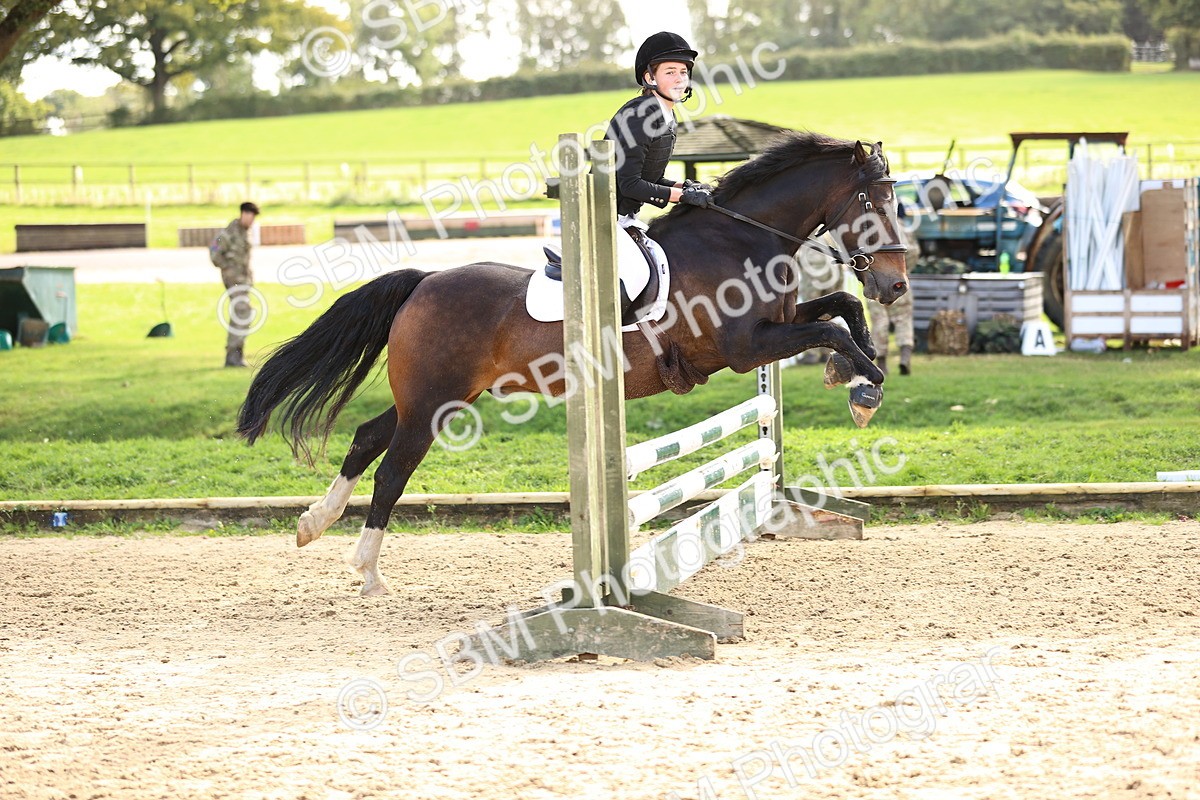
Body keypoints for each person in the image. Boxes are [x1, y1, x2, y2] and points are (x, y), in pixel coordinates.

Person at [602, 32, 711, 319]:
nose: (679, 79)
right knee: (639, 275)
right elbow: (630, 184)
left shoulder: (664, 115)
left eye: (683, 72)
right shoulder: (640, 115)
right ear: (650, 78)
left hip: (624, 217)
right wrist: (682, 196)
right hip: (601, 218)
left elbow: (649, 178)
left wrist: (682, 186)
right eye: (670, 72)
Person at [210, 201, 259, 367]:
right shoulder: (229, 232)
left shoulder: (246, 233)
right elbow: (214, 253)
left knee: (242, 314)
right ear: (243, 213)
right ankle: (233, 355)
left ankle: (236, 355)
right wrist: (228, 269)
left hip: (243, 282)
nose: (252, 220)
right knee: (243, 312)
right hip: (234, 281)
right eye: (251, 216)